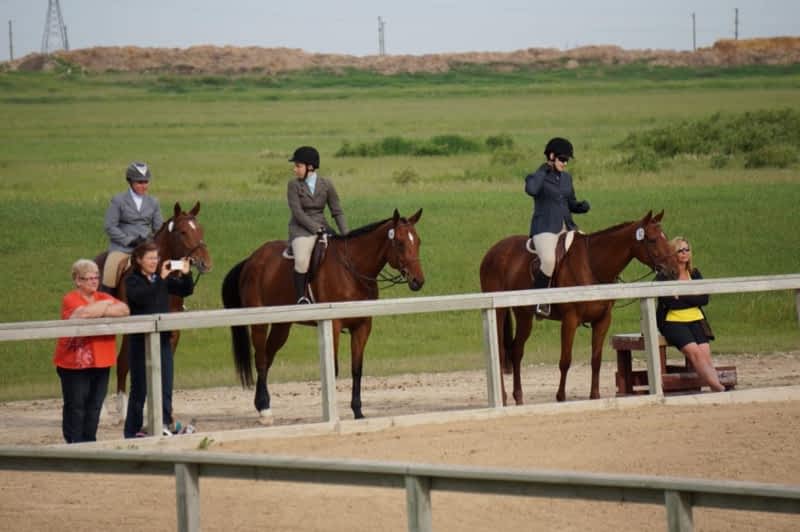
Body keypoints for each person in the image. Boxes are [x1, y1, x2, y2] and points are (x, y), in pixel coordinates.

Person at [54, 259, 130, 443]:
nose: (94, 282)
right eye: (88, 279)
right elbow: (83, 314)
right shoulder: (70, 298)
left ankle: (89, 440)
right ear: (77, 280)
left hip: (102, 360)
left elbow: (124, 309)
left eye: (96, 278)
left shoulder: (102, 297)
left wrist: (99, 307)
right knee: (76, 404)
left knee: (95, 404)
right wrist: (105, 307)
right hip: (74, 362)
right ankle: (74, 441)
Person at [123, 241, 193, 438]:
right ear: (139, 260)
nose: (155, 262)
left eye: (156, 258)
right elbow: (143, 299)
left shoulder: (158, 278)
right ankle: (131, 432)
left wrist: (186, 273)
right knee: (139, 389)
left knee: (166, 385)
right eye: (150, 258)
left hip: (162, 339)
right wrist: (161, 279)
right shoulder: (132, 280)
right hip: (140, 342)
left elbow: (186, 290)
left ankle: (164, 423)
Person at [525, 137, 590, 316]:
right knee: (549, 260)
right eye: (562, 159)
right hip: (545, 228)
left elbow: (570, 202)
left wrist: (580, 207)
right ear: (552, 156)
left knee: (587, 249)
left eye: (567, 160)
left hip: (568, 227)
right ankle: (540, 302)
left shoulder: (567, 178)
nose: (565, 163)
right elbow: (531, 190)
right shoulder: (537, 177)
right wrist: (543, 169)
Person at [655, 236, 725, 392]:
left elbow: (704, 299)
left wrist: (681, 296)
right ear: (673, 253)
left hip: (696, 318)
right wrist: (692, 296)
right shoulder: (664, 275)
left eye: (687, 249)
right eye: (680, 250)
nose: (684, 253)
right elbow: (671, 303)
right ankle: (718, 387)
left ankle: (715, 387)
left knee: (705, 354)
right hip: (672, 320)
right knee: (695, 354)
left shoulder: (695, 273)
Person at [287, 146, 349, 304]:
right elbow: (298, 213)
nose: (295, 170)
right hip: (301, 230)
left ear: (310, 167)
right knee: (301, 260)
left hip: (324, 227)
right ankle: (301, 297)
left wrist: (346, 235)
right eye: (295, 166)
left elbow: (337, 211)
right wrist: (316, 228)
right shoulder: (293, 185)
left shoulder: (327, 184)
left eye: (298, 166)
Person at [101, 161, 164, 293]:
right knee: (111, 271)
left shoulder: (154, 202)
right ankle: (107, 297)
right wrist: (129, 240)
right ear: (130, 182)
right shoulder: (118, 200)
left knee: (166, 269)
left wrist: (150, 242)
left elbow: (158, 228)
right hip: (122, 248)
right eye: (139, 182)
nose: (143, 185)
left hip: (146, 247)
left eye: (146, 182)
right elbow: (110, 226)